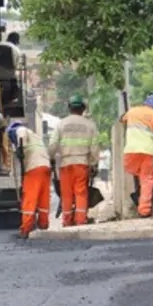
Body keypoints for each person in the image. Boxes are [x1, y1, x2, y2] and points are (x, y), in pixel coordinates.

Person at [47, 95, 99, 226]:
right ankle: (81, 220)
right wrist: (93, 163)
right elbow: (94, 147)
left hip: (65, 164)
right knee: (81, 192)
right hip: (82, 164)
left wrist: (51, 158)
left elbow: (52, 145)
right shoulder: (90, 125)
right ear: (83, 109)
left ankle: (67, 221)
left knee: (66, 194)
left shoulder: (61, 124)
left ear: (69, 108)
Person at [7, 122, 51, 239]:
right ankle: (43, 224)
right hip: (46, 166)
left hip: (34, 168)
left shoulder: (20, 130)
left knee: (29, 199)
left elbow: (21, 136)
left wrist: (19, 148)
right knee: (43, 197)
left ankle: (25, 229)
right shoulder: (35, 136)